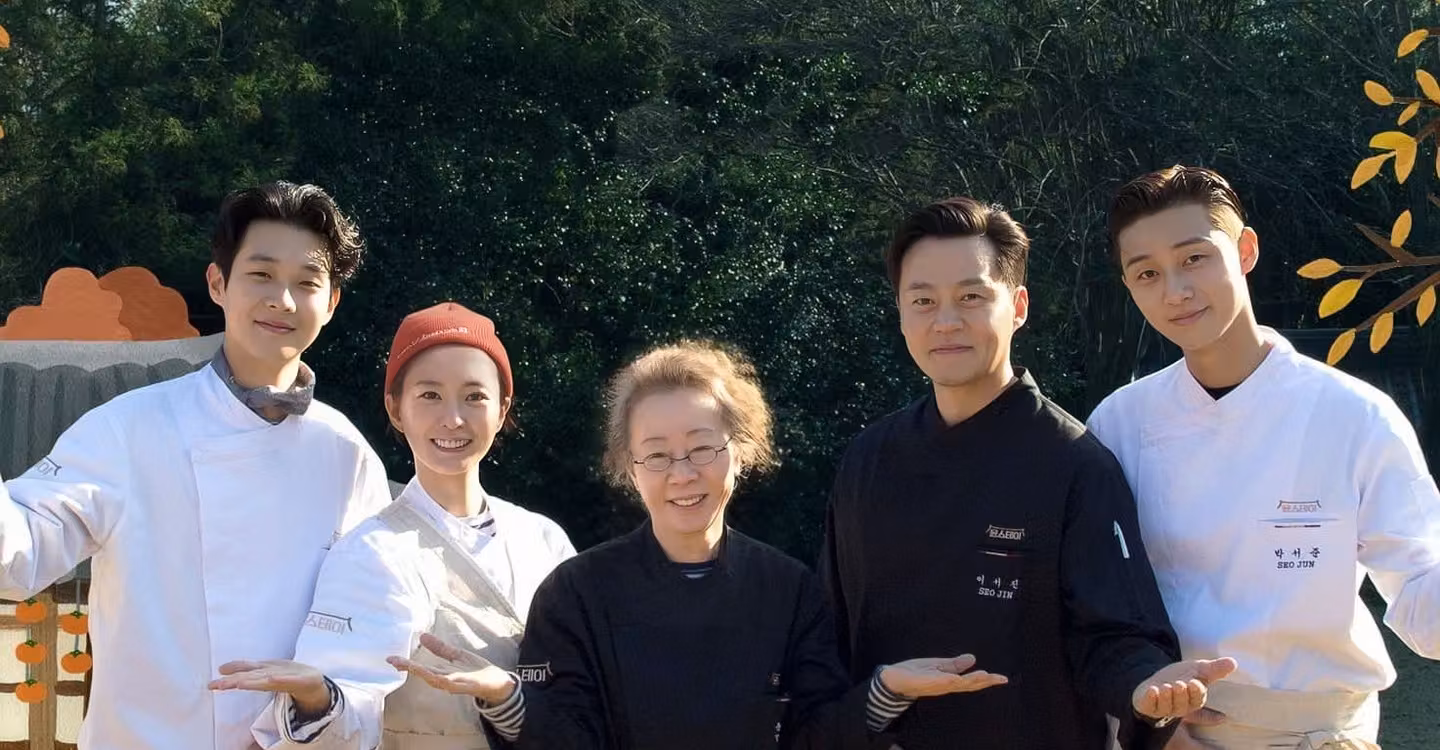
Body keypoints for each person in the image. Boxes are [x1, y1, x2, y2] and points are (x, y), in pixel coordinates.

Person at [391, 340, 1012, 749]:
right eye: (657, 456)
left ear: (740, 453)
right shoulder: (577, 592)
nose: (683, 474)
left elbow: (815, 736)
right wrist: (505, 695)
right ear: (629, 468)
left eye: (702, 449)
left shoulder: (788, 591)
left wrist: (885, 691)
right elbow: (568, 738)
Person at [821, 196, 1238, 750]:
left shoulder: (1073, 462)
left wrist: (1146, 688)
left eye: (971, 297)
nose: (946, 322)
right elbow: (830, 632)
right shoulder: (868, 460)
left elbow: (1116, 636)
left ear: (1017, 306)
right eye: (923, 301)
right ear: (900, 312)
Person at [0, 182, 392, 750]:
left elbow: (368, 633)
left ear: (330, 303)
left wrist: (322, 710)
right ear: (218, 283)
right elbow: (19, 549)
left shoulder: (347, 455)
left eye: (306, 283)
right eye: (261, 274)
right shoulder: (128, 429)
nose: (283, 300)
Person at [1086, 165, 1440, 749]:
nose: (1175, 291)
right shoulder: (1120, 423)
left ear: (1245, 250)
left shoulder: (1354, 416)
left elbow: (1422, 594)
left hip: (1317, 734)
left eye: (1194, 258)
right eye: (1147, 273)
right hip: (1166, 735)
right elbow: (1097, 604)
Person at [210, 302, 575, 749]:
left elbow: (582, 693)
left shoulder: (545, 540)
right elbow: (353, 700)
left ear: (502, 409)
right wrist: (319, 699)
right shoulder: (374, 552)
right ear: (395, 409)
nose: (453, 418)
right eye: (430, 395)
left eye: (475, 396)